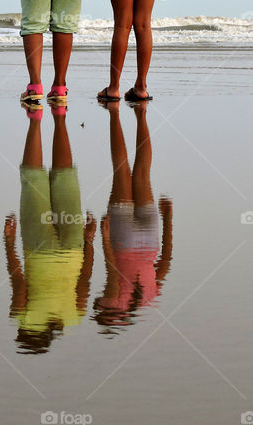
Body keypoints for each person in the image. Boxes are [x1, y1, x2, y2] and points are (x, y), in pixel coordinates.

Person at [4, 106, 95, 354]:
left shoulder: (73, 317)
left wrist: (89, 241)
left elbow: (85, 278)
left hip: (73, 250)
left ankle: (60, 113)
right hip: (39, 250)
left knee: (65, 178)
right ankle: (35, 117)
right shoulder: (24, 317)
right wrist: (9, 243)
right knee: (33, 178)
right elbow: (19, 281)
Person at [93, 99, 172, 332]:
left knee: (142, 173)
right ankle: (114, 115)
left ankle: (141, 115)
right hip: (123, 241)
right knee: (121, 169)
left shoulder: (148, 299)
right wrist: (104, 237)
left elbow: (165, 262)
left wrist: (168, 219)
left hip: (149, 241)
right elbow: (112, 271)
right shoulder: (114, 301)